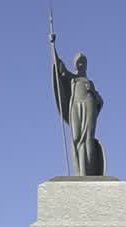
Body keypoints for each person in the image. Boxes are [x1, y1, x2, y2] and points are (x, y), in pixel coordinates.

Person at [51, 34, 105, 176]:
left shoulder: (89, 83)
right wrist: (53, 45)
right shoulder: (72, 78)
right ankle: (80, 172)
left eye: (83, 61)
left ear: (86, 65)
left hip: (89, 105)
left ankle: (89, 173)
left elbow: (101, 101)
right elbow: (58, 65)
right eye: (78, 61)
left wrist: (92, 92)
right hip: (75, 106)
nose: (80, 64)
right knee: (76, 138)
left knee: (87, 139)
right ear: (75, 64)